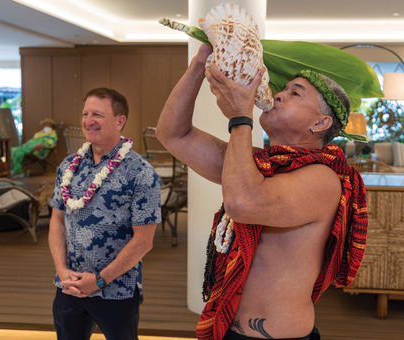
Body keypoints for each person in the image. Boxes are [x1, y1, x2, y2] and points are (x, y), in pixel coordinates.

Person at [156, 45, 368, 340]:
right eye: (283, 90)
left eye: (295, 93)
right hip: (229, 327)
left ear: (320, 123)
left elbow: (243, 203)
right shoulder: (259, 166)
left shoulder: (324, 179)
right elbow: (173, 134)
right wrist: (198, 65)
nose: (279, 95)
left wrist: (241, 118)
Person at [49, 87, 161, 340]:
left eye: (97, 114)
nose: (89, 120)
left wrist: (99, 281)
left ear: (120, 121)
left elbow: (144, 241)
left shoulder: (141, 173)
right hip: (69, 286)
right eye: (85, 113)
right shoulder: (68, 166)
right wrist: (62, 270)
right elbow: (57, 221)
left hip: (116, 291)